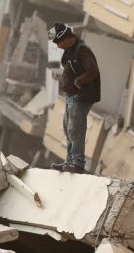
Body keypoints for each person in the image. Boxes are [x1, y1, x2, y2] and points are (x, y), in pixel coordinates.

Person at [48, 22, 100, 174]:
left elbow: (93, 71)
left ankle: (77, 163)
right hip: (71, 95)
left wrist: (78, 82)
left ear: (65, 38)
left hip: (81, 96)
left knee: (75, 128)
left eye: (58, 42)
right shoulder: (71, 50)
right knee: (67, 127)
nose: (57, 46)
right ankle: (69, 161)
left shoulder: (82, 51)